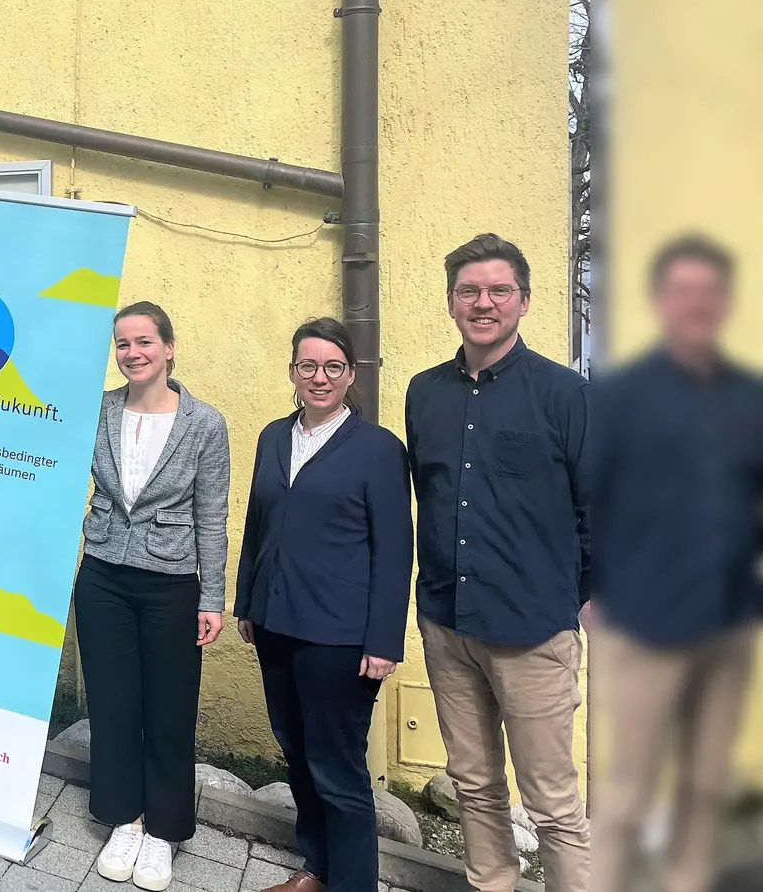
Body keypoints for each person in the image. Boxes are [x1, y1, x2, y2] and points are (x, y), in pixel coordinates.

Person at [405, 233, 591, 892]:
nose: (483, 303)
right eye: (469, 291)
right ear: (451, 301)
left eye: (498, 290)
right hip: (447, 625)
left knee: (555, 808)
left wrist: (578, 604)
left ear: (525, 301)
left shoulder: (565, 394)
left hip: (533, 632)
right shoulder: (423, 392)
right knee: (476, 786)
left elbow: (600, 508)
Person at [588, 236, 763, 892]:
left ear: (724, 302)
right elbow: (592, 498)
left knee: (705, 787)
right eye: (683, 290)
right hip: (645, 625)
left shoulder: (752, 396)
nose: (697, 303)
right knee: (626, 792)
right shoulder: (623, 397)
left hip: (728, 623)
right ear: (662, 301)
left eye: (709, 291)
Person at [234, 317, 412, 892]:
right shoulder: (272, 437)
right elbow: (257, 525)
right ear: (292, 371)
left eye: (332, 367)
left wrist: (384, 641)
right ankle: (315, 869)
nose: (319, 377)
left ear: (350, 375)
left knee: (338, 771)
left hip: (338, 639)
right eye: (307, 365)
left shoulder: (380, 450)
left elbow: (395, 550)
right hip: (276, 624)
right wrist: (246, 602)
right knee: (297, 755)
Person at [78, 301, 229, 892]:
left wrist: (212, 597)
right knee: (114, 705)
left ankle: (164, 831)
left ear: (168, 347)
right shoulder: (99, 412)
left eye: (144, 342)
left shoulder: (205, 423)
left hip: (170, 583)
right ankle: (127, 820)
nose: (132, 353)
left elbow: (212, 516)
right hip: (102, 575)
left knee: (168, 709)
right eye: (122, 344)